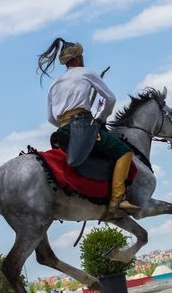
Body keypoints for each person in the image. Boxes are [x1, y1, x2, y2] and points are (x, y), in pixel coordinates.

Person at [37, 38, 139, 214]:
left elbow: (50, 118)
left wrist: (66, 124)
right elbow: (111, 99)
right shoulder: (86, 73)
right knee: (124, 151)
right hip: (83, 126)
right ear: (77, 59)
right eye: (82, 56)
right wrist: (101, 119)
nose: (83, 59)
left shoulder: (54, 85)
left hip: (62, 130)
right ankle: (117, 200)